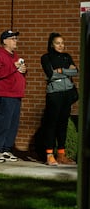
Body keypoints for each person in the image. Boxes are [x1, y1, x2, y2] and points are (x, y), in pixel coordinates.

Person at [40, 32, 78, 165]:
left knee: (63, 124)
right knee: (52, 124)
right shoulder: (46, 58)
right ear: (51, 44)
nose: (61, 45)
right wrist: (66, 71)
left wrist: (61, 71)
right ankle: (49, 155)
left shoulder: (67, 57)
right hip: (54, 95)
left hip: (67, 93)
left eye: (62, 43)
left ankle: (61, 154)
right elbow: (50, 74)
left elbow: (76, 71)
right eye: (58, 43)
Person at [0, 30, 27, 163]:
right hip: (4, 94)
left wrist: (23, 71)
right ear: (5, 41)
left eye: (16, 38)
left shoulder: (15, 55)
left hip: (16, 94)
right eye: (12, 39)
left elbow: (15, 71)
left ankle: (6, 149)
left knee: (12, 124)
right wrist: (13, 67)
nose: (15, 41)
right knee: (2, 122)